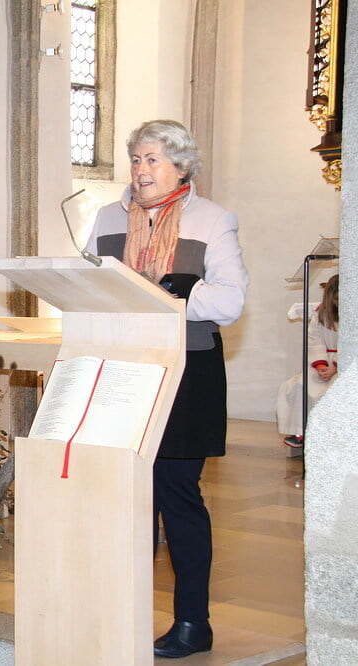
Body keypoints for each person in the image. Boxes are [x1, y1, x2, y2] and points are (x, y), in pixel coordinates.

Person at [84, 120, 249, 659]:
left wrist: (171, 296)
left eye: (152, 159)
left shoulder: (212, 220)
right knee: (127, 497)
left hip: (187, 371)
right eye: (136, 159)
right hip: (122, 367)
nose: (141, 169)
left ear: (181, 166)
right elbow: (88, 285)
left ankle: (193, 623)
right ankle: (121, 612)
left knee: (176, 495)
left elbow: (229, 301)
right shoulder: (108, 219)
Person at [277, 274, 338, 447]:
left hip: (347, 364)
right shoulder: (321, 313)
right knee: (299, 384)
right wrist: (321, 365)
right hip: (324, 361)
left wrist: (336, 366)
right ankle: (301, 432)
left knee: (332, 390)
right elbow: (314, 339)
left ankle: (331, 438)